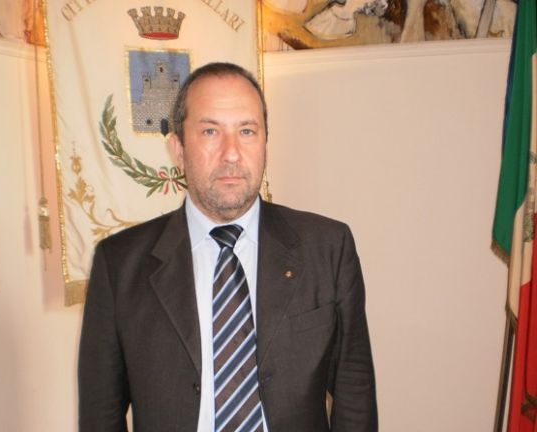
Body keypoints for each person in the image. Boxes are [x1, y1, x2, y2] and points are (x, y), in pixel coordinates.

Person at [78, 62, 378, 432]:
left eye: (247, 131)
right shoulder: (119, 264)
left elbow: (355, 388)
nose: (232, 153)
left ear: (265, 144)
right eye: (210, 131)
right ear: (178, 149)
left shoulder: (328, 247)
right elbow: (100, 414)